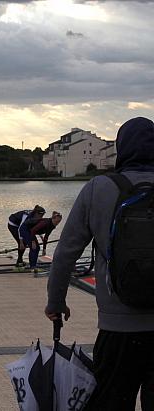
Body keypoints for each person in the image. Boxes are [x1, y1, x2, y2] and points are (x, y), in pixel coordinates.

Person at [45, 117, 154, 410]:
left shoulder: (98, 188)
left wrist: (55, 302)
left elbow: (66, 252)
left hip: (118, 329)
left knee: (111, 402)